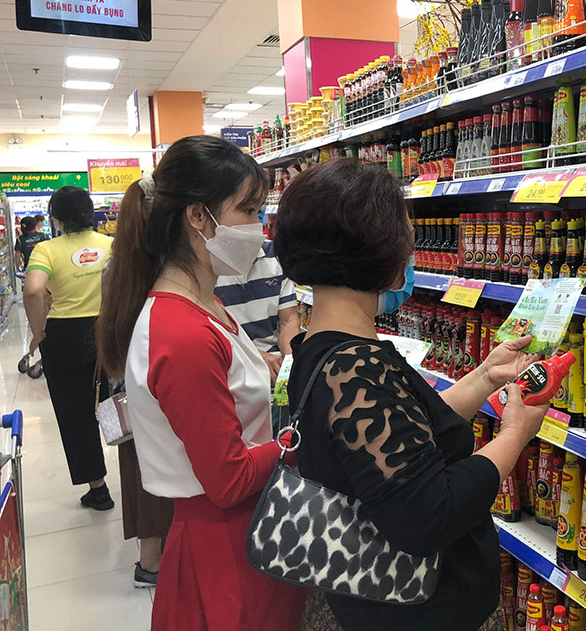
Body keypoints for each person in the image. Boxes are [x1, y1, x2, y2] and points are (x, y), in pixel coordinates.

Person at [275, 158, 549, 631]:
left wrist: (484, 377)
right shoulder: (356, 369)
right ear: (375, 248)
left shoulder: (322, 348)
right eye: (405, 234)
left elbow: (405, 437)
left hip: (360, 598)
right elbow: (430, 515)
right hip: (416, 611)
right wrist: (514, 435)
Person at [95, 135, 306, 630]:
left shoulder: (205, 304)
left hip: (249, 531)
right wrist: (298, 439)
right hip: (225, 547)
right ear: (198, 217)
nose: (259, 228)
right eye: (249, 211)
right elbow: (228, 479)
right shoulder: (182, 331)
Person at [99, 180, 175, 588]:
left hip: (128, 385)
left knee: (139, 470)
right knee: (169, 467)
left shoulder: (115, 267)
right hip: (161, 381)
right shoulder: (168, 269)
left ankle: (149, 560)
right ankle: (162, 559)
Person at [24, 186, 113, 510]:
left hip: (65, 336)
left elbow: (34, 291)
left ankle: (98, 489)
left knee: (75, 413)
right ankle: (141, 481)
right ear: (91, 214)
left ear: (55, 218)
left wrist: (38, 333)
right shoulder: (110, 244)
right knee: (124, 404)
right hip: (109, 330)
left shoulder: (46, 249)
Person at [214, 238, 300, 433]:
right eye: (247, 211)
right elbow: (210, 329)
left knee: (281, 439)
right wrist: (257, 357)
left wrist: (290, 361)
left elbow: (288, 320)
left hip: (273, 374)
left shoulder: (275, 256)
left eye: (255, 210)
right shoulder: (210, 263)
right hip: (231, 369)